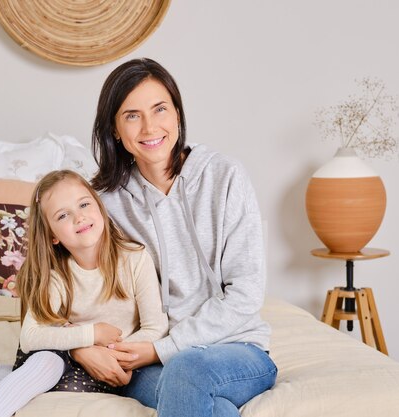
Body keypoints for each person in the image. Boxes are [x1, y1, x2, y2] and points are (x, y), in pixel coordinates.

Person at [70, 57, 278, 417]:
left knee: (187, 371)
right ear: (115, 130)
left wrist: (164, 348)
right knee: (213, 407)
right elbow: (65, 285)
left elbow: (245, 293)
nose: (150, 127)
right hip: (147, 359)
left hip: (238, 348)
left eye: (160, 109)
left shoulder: (224, 176)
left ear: (177, 115)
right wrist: (78, 347)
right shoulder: (104, 204)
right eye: (132, 115)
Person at [0, 169, 168, 417]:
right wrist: (91, 336)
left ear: (100, 207)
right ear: (52, 235)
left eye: (84, 204)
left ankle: (5, 375)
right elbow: (31, 337)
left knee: (59, 383)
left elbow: (156, 327)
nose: (79, 217)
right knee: (47, 362)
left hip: (119, 357)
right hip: (61, 352)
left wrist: (108, 355)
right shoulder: (56, 273)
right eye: (63, 215)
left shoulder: (135, 259)